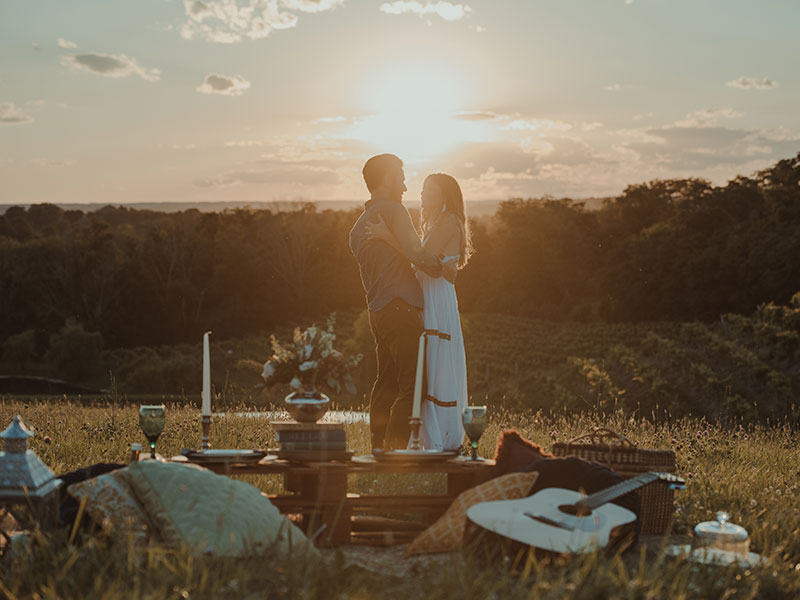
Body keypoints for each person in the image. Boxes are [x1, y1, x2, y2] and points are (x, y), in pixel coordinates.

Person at [349, 154, 449, 451]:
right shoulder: (394, 211)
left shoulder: (356, 228)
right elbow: (418, 256)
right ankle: (393, 457)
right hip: (402, 308)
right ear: (387, 178)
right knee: (413, 386)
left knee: (386, 384)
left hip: (378, 312)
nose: (405, 186)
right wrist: (439, 264)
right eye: (401, 177)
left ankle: (379, 451)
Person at [365, 173, 472, 451]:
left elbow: (419, 258)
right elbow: (422, 258)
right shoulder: (437, 222)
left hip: (436, 296)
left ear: (444, 196)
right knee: (428, 364)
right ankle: (422, 437)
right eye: (423, 190)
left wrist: (388, 236)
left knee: (433, 364)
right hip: (429, 293)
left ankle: (439, 437)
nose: (422, 195)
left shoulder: (448, 222)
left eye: (429, 191)